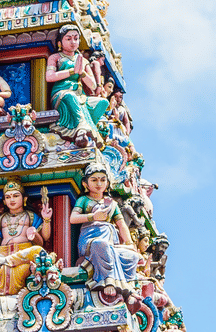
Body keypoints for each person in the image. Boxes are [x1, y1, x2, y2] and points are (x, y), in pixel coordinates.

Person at [0, 180, 53, 300]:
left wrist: (44, 222)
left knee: (37, 250)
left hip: (22, 257)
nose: (12, 200)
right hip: (2, 253)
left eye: (16, 196)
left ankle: (5, 260)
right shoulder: (2, 219)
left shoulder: (30, 216)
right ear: (4, 201)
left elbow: (43, 240)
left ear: (24, 199)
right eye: (8, 197)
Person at [71, 164, 142, 299]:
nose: (99, 183)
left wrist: (129, 243)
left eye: (103, 180)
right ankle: (107, 281)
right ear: (85, 183)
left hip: (111, 243)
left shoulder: (112, 204)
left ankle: (130, 287)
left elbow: (121, 225)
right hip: (91, 240)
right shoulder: (84, 200)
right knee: (101, 245)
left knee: (131, 256)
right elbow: (73, 218)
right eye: (94, 180)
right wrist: (93, 217)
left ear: (107, 183)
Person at [44, 26, 108, 147]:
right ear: (60, 43)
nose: (73, 42)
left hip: (80, 95)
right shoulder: (56, 57)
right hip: (62, 92)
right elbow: (49, 77)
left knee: (102, 103)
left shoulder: (83, 61)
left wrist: (82, 73)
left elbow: (93, 85)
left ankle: (87, 127)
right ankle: (81, 128)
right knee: (70, 96)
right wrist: (72, 71)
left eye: (76, 38)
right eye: (68, 39)